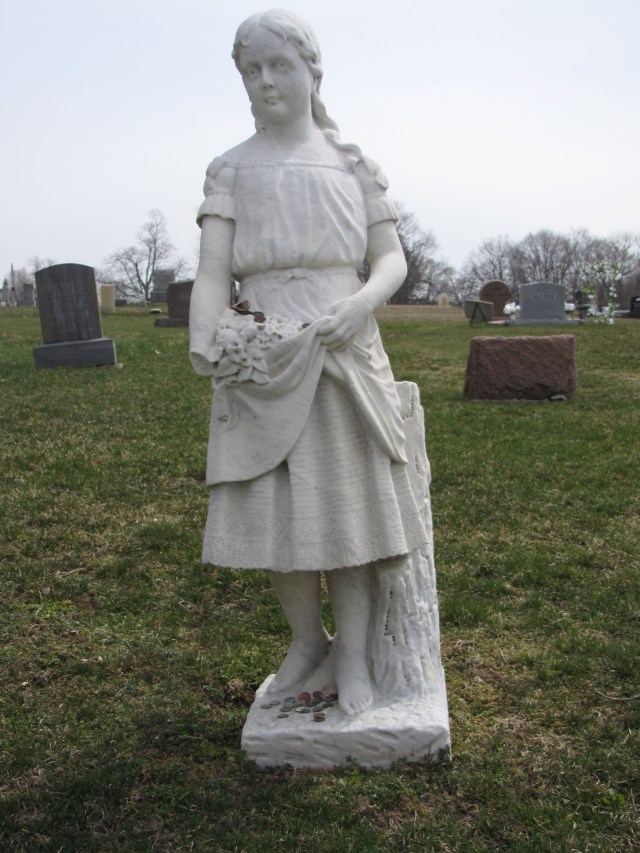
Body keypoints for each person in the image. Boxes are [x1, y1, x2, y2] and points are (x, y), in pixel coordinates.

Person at [189, 9, 430, 716]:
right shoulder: (231, 167)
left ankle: (352, 656)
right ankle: (306, 642)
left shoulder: (352, 162)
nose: (265, 81)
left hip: (341, 347)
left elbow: (391, 258)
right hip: (263, 353)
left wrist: (360, 304)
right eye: (251, 70)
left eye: (279, 66)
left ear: (311, 71)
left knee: (346, 511)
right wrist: (206, 337)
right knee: (279, 513)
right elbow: (212, 270)